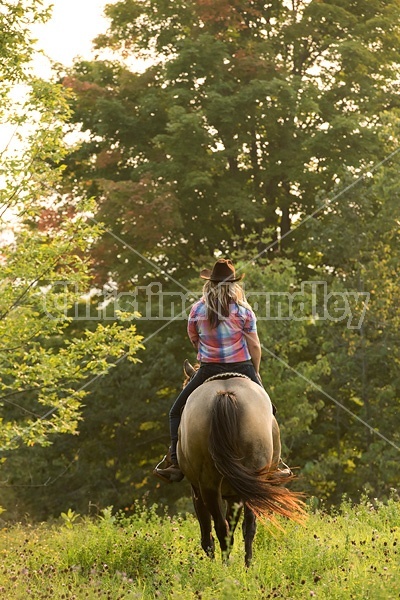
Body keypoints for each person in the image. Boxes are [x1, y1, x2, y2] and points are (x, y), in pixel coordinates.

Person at [153, 258, 290, 483]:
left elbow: (194, 338)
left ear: (210, 284)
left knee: (175, 412)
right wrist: (254, 372)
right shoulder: (244, 311)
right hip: (243, 367)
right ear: (233, 285)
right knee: (269, 409)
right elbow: (255, 346)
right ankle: (276, 464)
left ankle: (175, 462)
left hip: (208, 369)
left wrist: (208, 350)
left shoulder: (197, 309)